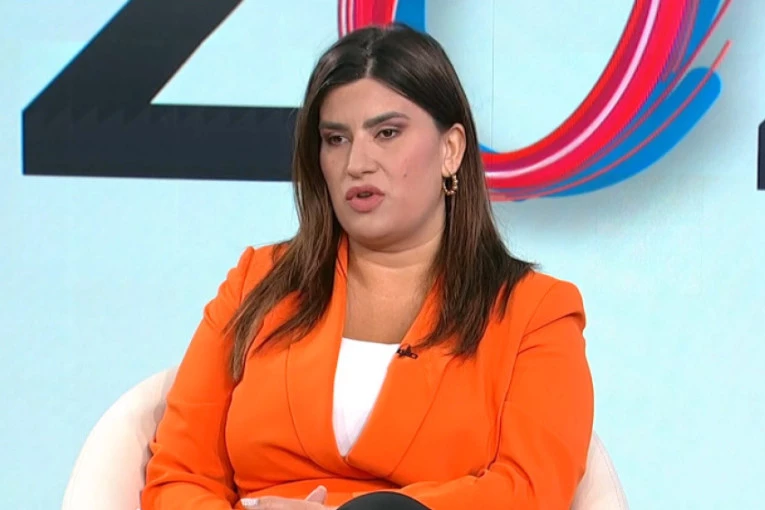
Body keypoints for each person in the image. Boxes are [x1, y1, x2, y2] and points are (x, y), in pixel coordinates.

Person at [140, 23, 594, 510]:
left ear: (450, 150)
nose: (357, 163)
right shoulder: (257, 283)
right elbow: (179, 474)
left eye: (387, 133)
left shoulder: (535, 312)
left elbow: (529, 489)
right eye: (336, 139)